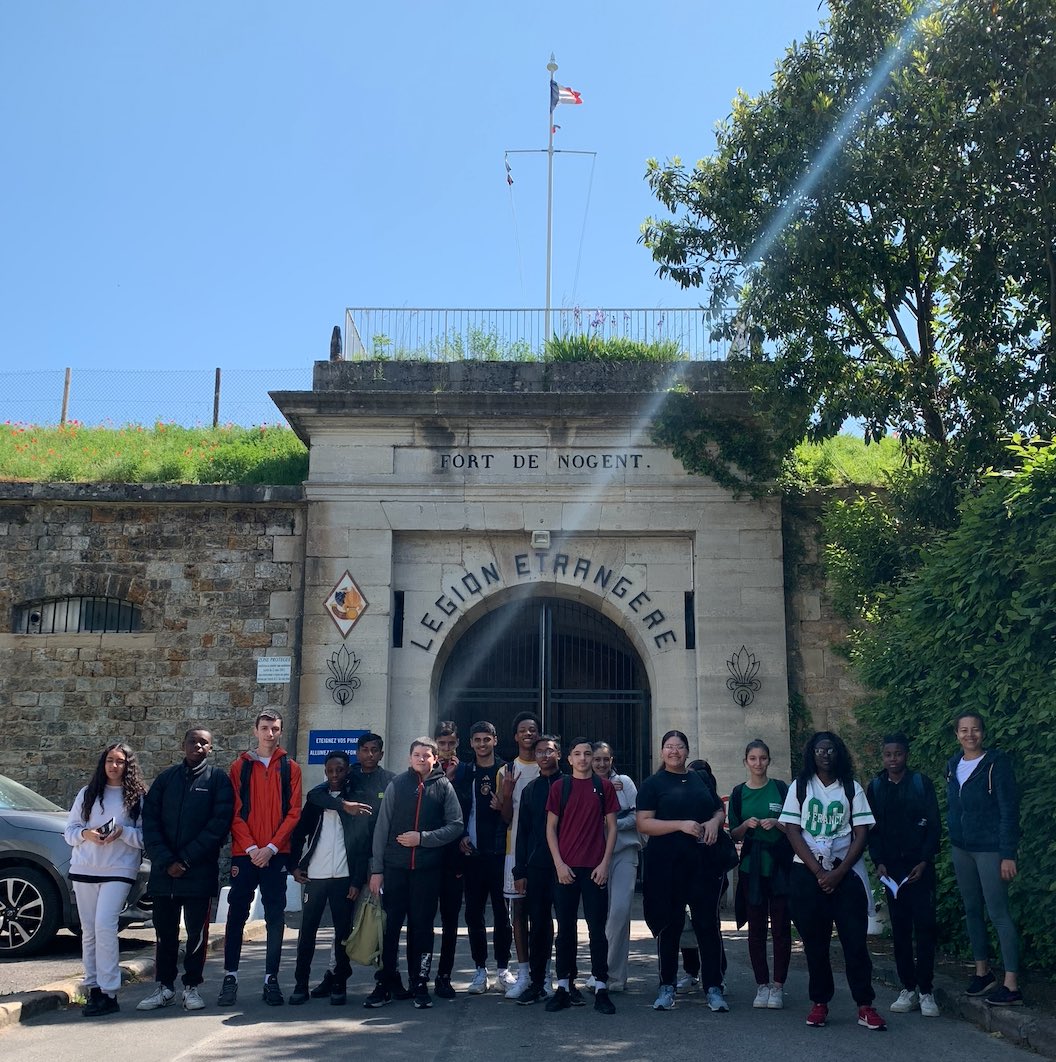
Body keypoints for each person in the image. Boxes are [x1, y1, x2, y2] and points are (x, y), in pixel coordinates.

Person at [780, 731, 885, 1031]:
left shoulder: (852, 789)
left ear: (839, 753)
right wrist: (817, 871)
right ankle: (819, 1003)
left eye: (830, 750)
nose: (825, 755)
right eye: (819, 750)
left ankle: (865, 1005)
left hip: (845, 873)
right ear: (810, 754)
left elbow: (862, 832)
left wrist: (837, 873)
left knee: (855, 943)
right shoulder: (800, 787)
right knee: (815, 944)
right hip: (807, 873)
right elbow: (792, 830)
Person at [139, 729, 234, 1013]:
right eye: (193, 741)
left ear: (211, 748)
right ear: (183, 745)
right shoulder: (166, 780)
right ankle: (164, 987)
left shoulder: (218, 780)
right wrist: (167, 860)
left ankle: (191, 987)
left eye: (204, 742)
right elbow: (150, 822)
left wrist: (187, 860)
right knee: (164, 935)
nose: (198, 746)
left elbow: (219, 825)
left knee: (196, 935)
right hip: (164, 874)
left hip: (198, 873)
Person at [366, 737, 463, 1010]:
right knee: (390, 929)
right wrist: (377, 870)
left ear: (435, 759)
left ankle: (419, 982)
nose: (421, 759)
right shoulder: (397, 784)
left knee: (422, 928)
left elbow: (455, 825)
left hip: (427, 870)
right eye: (417, 754)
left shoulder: (444, 787)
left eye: (427, 755)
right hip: (395, 870)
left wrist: (423, 838)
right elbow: (381, 829)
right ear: (410, 758)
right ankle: (384, 982)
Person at [637, 731, 729, 1014]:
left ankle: (713, 987)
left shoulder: (699, 780)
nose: (674, 751)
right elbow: (644, 824)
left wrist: (715, 823)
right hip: (666, 866)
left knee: (707, 925)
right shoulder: (652, 784)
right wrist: (680, 825)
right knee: (669, 926)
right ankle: (667, 986)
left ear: (687, 751)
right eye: (668, 746)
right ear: (662, 751)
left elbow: (718, 809)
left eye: (679, 746)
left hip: (702, 864)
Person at [219, 709, 302, 1007]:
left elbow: (294, 812)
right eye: (265, 728)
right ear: (255, 730)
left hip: (276, 854)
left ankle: (272, 979)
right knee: (236, 916)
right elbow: (235, 811)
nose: (270, 733)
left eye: (275, 728)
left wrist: (272, 847)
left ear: (280, 731)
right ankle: (230, 976)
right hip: (246, 854)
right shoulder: (239, 767)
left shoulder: (290, 768)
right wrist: (253, 849)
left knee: (275, 917)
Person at [303, 733, 396, 1001]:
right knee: (343, 925)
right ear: (357, 752)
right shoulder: (346, 776)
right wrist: (343, 804)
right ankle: (335, 976)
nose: (369, 754)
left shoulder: (390, 780)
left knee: (382, 921)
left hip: (379, 860)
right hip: (349, 861)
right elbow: (315, 796)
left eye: (374, 750)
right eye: (364, 750)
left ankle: (387, 977)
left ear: (381, 753)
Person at [64, 741, 147, 1018]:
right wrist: (87, 835)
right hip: (85, 866)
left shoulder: (136, 797)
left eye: (120, 761)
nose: (114, 765)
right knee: (88, 930)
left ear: (128, 765)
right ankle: (93, 988)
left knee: (105, 925)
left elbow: (145, 838)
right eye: (110, 760)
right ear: (103, 763)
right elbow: (70, 831)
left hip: (119, 869)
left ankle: (110, 991)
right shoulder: (88, 794)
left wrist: (121, 831)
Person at [946, 712, 1022, 1006]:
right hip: (961, 847)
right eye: (964, 730)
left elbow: (1008, 810)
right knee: (972, 909)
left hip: (990, 849)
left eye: (975, 730)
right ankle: (983, 972)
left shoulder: (996, 764)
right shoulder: (953, 765)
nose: (969, 735)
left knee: (999, 913)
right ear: (956, 735)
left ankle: (1011, 983)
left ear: (983, 733)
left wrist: (1007, 854)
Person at [866, 732, 941, 1017]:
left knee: (924, 928)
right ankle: (907, 988)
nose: (893, 759)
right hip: (892, 872)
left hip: (919, 868)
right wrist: (878, 862)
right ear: (883, 757)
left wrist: (924, 861)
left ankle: (926, 990)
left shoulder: (921, 784)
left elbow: (933, 826)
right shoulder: (875, 787)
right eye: (888, 754)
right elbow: (871, 829)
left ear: (906, 755)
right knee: (899, 930)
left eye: (897, 754)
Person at [544, 736, 618, 1015]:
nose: (584, 758)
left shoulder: (605, 787)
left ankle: (601, 986)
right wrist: (559, 865)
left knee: (598, 931)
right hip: (566, 870)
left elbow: (612, 827)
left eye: (588, 753)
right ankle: (564, 985)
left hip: (595, 869)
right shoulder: (560, 788)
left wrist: (605, 864)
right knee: (565, 931)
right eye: (579, 754)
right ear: (569, 759)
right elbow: (550, 829)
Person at [287, 750, 358, 1006]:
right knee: (307, 932)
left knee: (342, 933)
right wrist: (294, 866)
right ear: (325, 771)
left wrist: (356, 880)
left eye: (340, 770)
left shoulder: (355, 798)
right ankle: (300, 984)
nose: (335, 775)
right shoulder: (317, 798)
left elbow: (361, 844)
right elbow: (298, 835)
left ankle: (339, 983)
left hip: (343, 876)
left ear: (348, 770)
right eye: (330, 770)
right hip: (314, 877)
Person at [728, 739, 792, 1010]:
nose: (758, 763)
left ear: (768, 760)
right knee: (756, 930)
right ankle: (761, 984)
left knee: (780, 928)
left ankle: (778, 985)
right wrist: (745, 824)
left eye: (762, 758)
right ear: (745, 762)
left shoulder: (781, 789)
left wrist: (778, 823)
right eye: (753, 759)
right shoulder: (739, 792)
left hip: (778, 866)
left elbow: (795, 826)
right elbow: (732, 834)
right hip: (750, 867)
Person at [452, 720, 513, 994]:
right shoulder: (465, 771)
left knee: (502, 914)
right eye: (477, 740)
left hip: (499, 852)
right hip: (472, 853)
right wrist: (460, 835)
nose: (482, 744)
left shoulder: (506, 769)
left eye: (486, 739)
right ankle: (479, 970)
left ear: (495, 740)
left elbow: (515, 811)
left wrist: (504, 805)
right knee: (474, 914)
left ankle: (503, 968)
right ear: (471, 743)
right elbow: (454, 807)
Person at [512, 734, 564, 1005]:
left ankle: (567, 982)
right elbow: (522, 833)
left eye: (550, 751)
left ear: (559, 753)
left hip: (566, 866)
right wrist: (519, 870)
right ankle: (538, 980)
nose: (545, 755)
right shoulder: (530, 790)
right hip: (537, 867)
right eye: (540, 751)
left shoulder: (568, 785)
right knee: (539, 925)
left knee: (566, 926)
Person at [589, 741, 640, 993]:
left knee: (619, 913)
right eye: (596, 759)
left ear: (612, 760)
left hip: (623, 852)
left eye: (605, 759)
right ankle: (608, 977)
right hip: (594, 857)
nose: (600, 764)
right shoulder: (582, 783)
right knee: (599, 917)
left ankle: (609, 974)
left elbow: (638, 816)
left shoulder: (625, 783)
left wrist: (611, 824)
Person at [499, 711, 542, 999]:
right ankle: (524, 972)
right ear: (515, 736)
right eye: (523, 730)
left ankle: (546, 974)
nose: (528, 733)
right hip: (515, 848)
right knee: (519, 913)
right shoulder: (506, 770)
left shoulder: (547, 765)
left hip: (545, 849)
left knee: (544, 914)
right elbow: (504, 817)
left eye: (533, 729)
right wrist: (507, 791)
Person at [433, 720, 464, 999]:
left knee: (451, 921)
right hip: (427, 858)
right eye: (441, 744)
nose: (445, 749)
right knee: (421, 920)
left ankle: (445, 975)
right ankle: (421, 972)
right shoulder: (424, 771)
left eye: (450, 743)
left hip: (454, 858)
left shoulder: (464, 771)